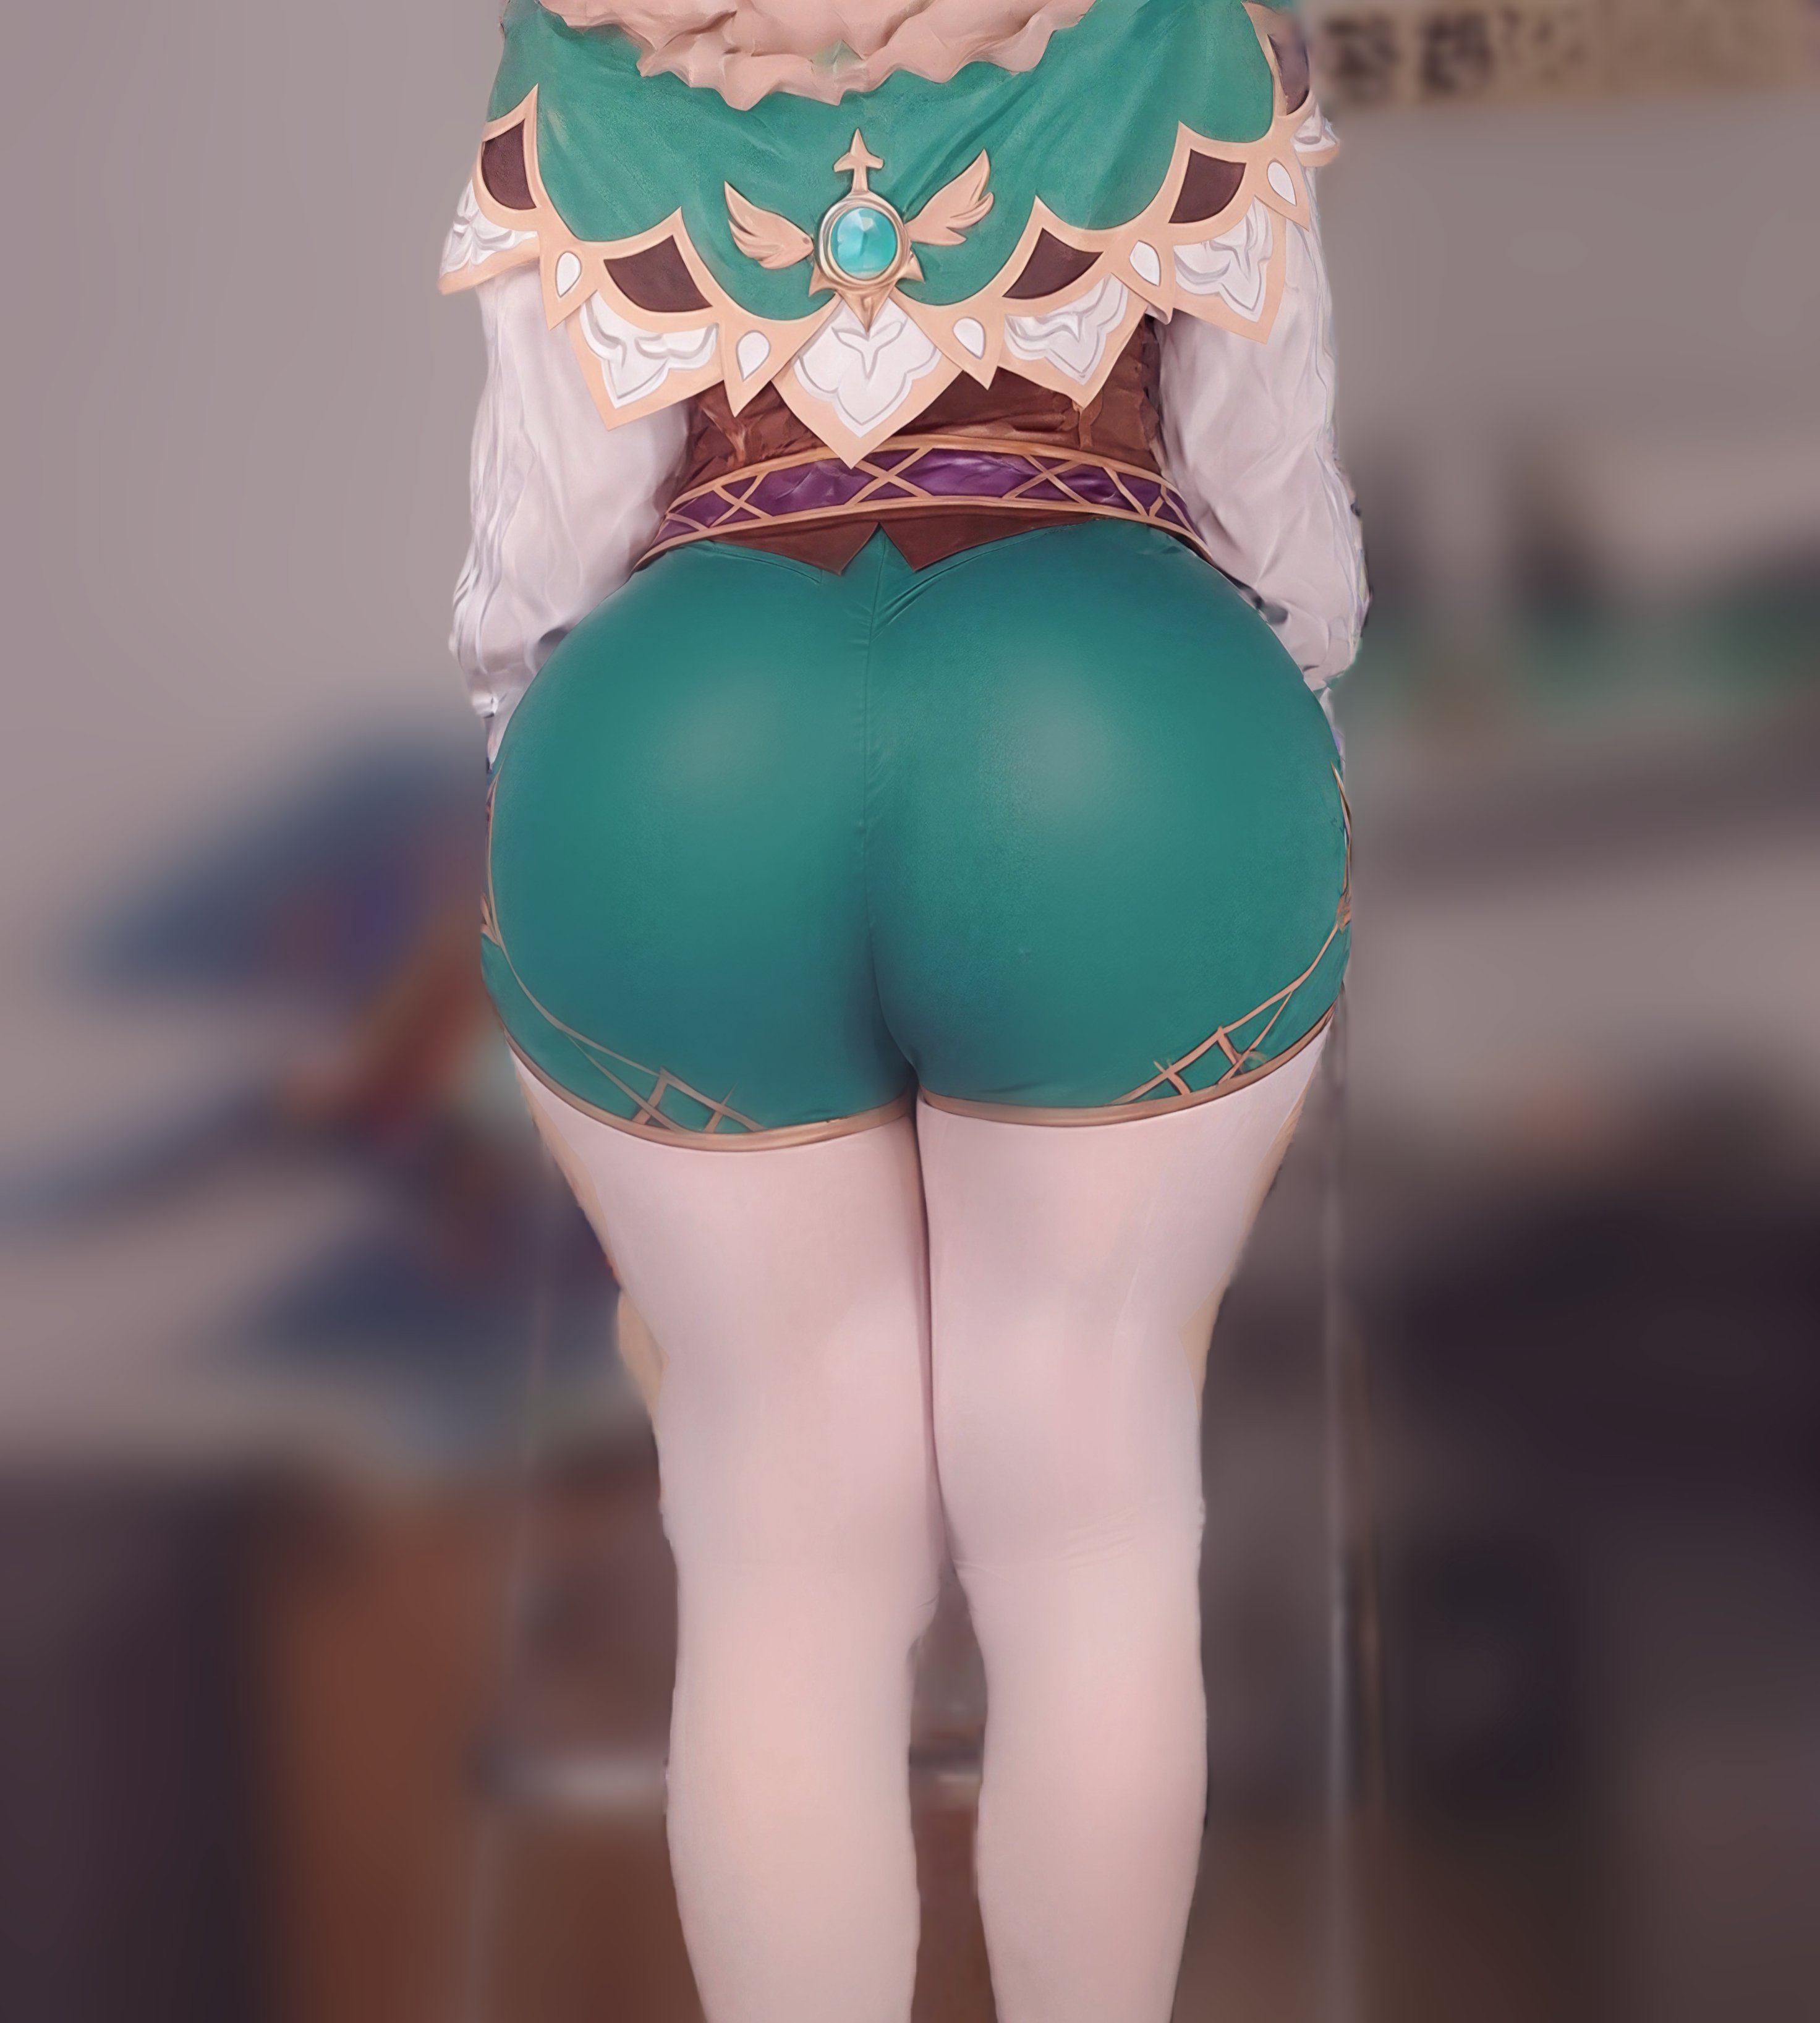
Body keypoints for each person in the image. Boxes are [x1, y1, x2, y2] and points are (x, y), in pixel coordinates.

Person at [444, 4, 1365, 2017]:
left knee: (779, 1555)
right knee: (1093, 1521)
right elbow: (1274, 497)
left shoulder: (587, 44)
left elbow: (543, 549)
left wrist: (562, 763)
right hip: (1118, 731)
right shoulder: (1191, 26)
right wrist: (1257, 719)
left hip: (679, 749)